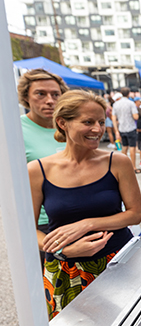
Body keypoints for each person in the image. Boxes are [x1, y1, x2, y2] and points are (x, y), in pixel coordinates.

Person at [27, 90, 141, 319]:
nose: (98, 130)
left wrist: (87, 224)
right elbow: (29, 230)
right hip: (65, 271)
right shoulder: (37, 170)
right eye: (88, 122)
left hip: (119, 262)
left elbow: (134, 214)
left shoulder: (117, 161)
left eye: (101, 122)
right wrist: (63, 251)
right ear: (63, 123)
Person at [17, 69, 69, 263]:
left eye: (55, 94)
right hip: (42, 222)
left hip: (77, 215)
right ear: (26, 97)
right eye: (40, 94)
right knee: (50, 287)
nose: (49, 100)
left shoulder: (68, 126)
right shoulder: (15, 129)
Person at [111, 88, 140, 173]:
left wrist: (116, 131)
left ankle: (124, 166)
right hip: (130, 127)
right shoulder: (131, 103)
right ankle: (133, 166)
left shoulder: (116, 104)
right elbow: (136, 117)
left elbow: (113, 118)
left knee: (124, 147)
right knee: (132, 147)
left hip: (121, 128)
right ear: (128, 94)